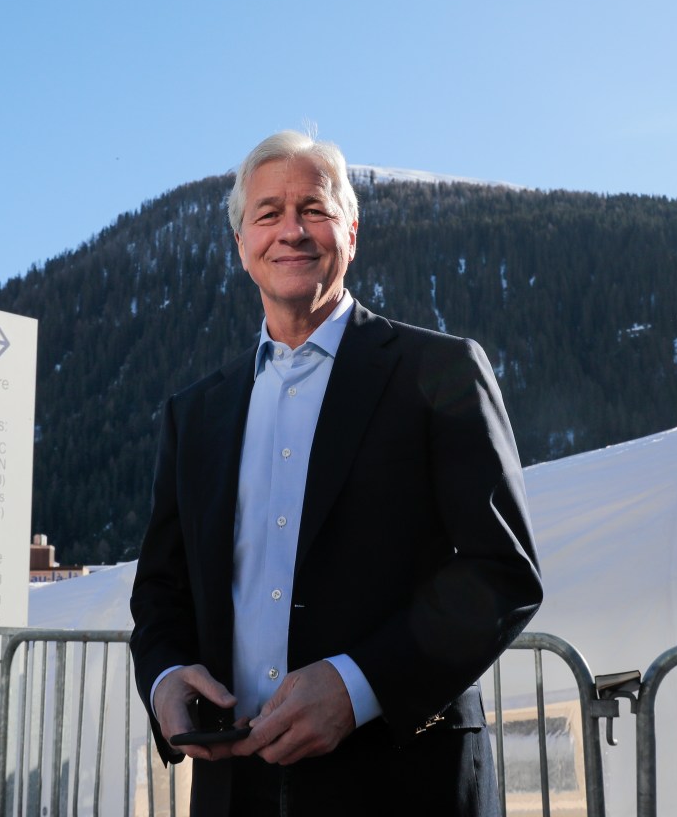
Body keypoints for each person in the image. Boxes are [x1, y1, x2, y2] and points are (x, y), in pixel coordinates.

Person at [129, 130, 542, 816]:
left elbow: (500, 571)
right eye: (267, 213)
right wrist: (166, 676)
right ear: (241, 244)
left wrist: (358, 686)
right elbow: (161, 588)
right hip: (235, 787)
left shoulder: (436, 371)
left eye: (312, 209)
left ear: (350, 229)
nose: (290, 230)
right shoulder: (194, 413)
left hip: (402, 782)